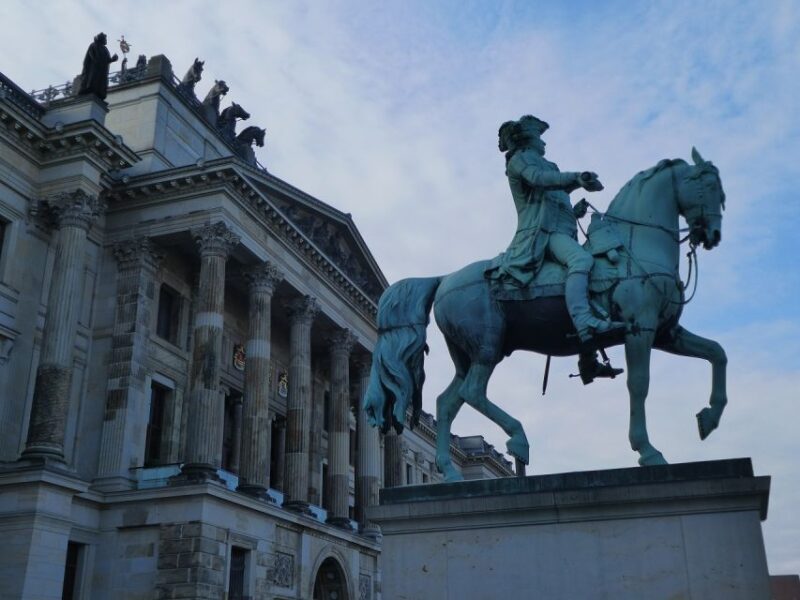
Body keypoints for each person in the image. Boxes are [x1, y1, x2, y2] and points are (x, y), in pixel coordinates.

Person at [486, 115, 624, 383]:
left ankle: (588, 361)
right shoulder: (522, 161)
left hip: (561, 232)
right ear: (528, 139)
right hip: (541, 236)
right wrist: (575, 177)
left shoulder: (548, 164)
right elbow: (540, 180)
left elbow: (554, 199)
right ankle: (585, 324)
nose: (543, 140)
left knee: (594, 276)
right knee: (582, 262)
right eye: (539, 136)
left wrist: (576, 203)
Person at [78, 33, 118, 100]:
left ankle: (99, 93)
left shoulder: (105, 49)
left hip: (101, 72)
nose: (106, 40)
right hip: (94, 70)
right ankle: (88, 90)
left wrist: (112, 59)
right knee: (92, 84)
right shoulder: (94, 45)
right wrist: (107, 60)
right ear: (101, 39)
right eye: (105, 39)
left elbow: (106, 60)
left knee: (100, 87)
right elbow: (94, 58)